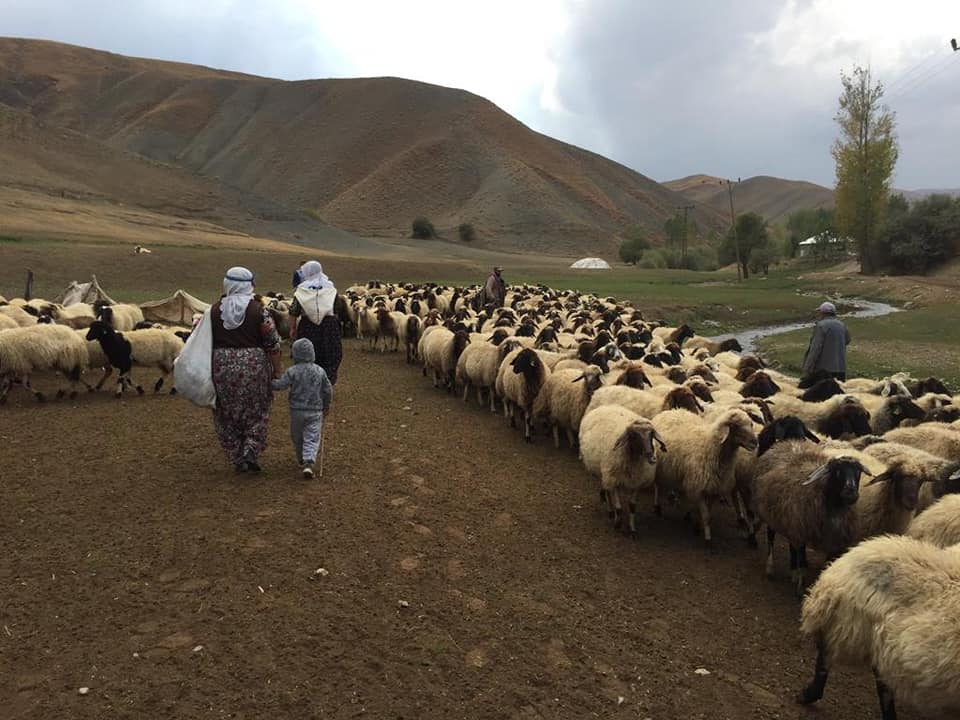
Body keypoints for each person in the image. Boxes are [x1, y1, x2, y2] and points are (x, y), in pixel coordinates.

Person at [210, 267, 282, 473]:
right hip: (253, 365)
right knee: (257, 409)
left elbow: (204, 339)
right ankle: (251, 449)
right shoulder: (259, 310)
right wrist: (277, 371)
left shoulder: (214, 310)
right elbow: (273, 343)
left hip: (221, 366)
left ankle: (236, 454)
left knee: (226, 410)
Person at [272, 338, 333, 479]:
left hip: (297, 411)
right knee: (312, 437)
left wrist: (269, 383)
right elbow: (328, 389)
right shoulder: (320, 371)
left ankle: (302, 458)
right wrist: (326, 405)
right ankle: (308, 462)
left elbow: (281, 385)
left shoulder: (292, 371)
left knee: (297, 436)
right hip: (315, 410)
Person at [289, 260, 343, 384]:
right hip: (329, 327)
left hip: (308, 328)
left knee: (307, 354)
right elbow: (338, 307)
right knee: (330, 354)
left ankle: (309, 384)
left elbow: (293, 311)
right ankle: (327, 382)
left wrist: (292, 328)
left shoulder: (301, 290)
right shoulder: (330, 288)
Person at [802, 301, 851, 382]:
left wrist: (808, 369)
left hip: (823, 371)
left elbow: (815, 349)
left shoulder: (821, 326)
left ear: (822, 313)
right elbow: (847, 340)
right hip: (841, 369)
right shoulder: (842, 325)